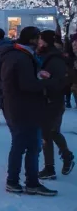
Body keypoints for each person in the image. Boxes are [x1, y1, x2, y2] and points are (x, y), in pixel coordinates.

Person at [0, 26, 57, 196]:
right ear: (32, 39)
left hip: (16, 106)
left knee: (28, 145)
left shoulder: (14, 55)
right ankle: (18, 181)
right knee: (26, 145)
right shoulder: (22, 57)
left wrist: (37, 76)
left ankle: (26, 181)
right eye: (38, 38)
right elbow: (27, 85)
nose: (40, 41)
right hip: (23, 108)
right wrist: (47, 82)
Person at [37, 30, 75, 180]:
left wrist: (43, 82)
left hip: (53, 101)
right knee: (49, 132)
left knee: (48, 133)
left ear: (45, 42)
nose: (39, 43)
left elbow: (57, 82)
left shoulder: (54, 59)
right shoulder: (51, 56)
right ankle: (59, 161)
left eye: (40, 40)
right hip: (51, 100)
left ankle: (54, 164)